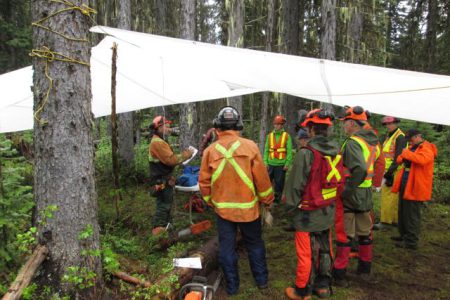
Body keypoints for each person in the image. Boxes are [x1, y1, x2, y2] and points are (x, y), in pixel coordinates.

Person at [199, 106, 274, 295]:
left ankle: (232, 287)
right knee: (255, 244)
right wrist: (267, 200)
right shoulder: (250, 146)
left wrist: (211, 202)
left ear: (217, 126)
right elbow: (262, 180)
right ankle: (262, 282)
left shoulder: (210, 150)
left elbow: (204, 183)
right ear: (238, 125)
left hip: (223, 211)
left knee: (226, 248)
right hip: (249, 210)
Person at [284, 109, 343, 300]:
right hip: (327, 210)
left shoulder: (306, 153)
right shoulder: (336, 150)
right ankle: (323, 286)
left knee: (305, 251)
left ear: (310, 129)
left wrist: (290, 210)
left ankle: (302, 290)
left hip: (307, 212)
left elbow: (294, 186)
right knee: (325, 247)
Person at [332, 106, 383, 284]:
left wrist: (347, 191)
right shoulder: (372, 142)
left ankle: (339, 274)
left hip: (352, 192)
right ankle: (364, 270)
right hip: (366, 193)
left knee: (345, 234)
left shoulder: (353, 142)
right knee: (365, 233)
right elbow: (374, 166)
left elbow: (359, 169)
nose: (343, 126)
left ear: (352, 123)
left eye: (345, 123)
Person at [391, 129, 437, 250]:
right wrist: (406, 155)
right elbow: (399, 159)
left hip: (416, 185)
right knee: (402, 210)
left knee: (412, 214)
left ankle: (411, 242)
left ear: (418, 137)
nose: (409, 142)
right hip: (406, 182)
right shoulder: (413, 147)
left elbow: (421, 160)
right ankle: (403, 235)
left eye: (411, 139)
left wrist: (406, 154)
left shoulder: (427, 148)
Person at [148, 115, 193, 235]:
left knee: (166, 206)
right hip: (161, 181)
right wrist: (186, 155)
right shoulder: (157, 143)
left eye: (169, 127)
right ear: (159, 127)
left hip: (164, 179)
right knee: (163, 206)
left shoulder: (160, 141)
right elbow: (171, 160)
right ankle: (158, 235)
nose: (169, 129)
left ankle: (166, 231)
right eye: (167, 127)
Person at [374, 116, 407, 230]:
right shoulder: (390, 136)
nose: (387, 126)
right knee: (392, 196)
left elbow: (399, 156)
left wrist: (390, 173)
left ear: (396, 123)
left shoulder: (400, 137)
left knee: (387, 196)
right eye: (386, 124)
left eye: (390, 123)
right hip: (389, 170)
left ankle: (386, 222)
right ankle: (393, 220)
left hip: (393, 171)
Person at [263, 115, 293, 203]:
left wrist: (287, 163)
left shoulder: (286, 136)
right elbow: (266, 150)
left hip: (281, 165)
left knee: (279, 185)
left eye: (278, 124)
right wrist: (265, 162)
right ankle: (267, 200)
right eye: (275, 124)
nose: (276, 126)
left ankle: (277, 201)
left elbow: (289, 151)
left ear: (282, 125)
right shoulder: (269, 136)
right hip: (270, 164)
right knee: (267, 184)